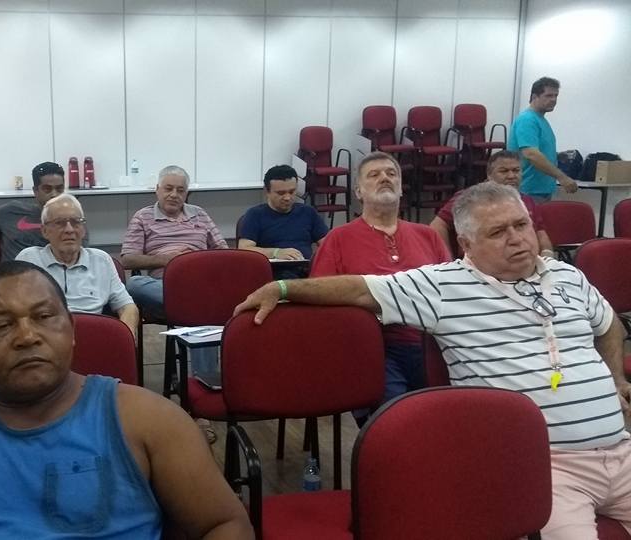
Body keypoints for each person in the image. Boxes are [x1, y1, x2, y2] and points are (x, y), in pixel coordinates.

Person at [235, 182, 631, 539]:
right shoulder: (443, 285)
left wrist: (616, 378)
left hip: (622, 450)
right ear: (466, 244)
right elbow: (359, 290)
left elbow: (609, 323)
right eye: (498, 232)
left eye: (521, 224)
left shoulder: (566, 275)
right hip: (540, 466)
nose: (517, 239)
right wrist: (282, 288)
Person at [0, 261, 253, 539]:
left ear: (71, 331)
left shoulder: (150, 421)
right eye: (1, 325)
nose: (26, 336)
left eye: (44, 317)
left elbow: (225, 524)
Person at [310, 152, 450, 416]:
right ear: (358, 192)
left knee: (446, 417)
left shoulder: (428, 236)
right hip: (372, 346)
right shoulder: (338, 239)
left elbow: (452, 290)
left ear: (401, 188)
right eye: (374, 175)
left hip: (431, 344)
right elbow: (321, 300)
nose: (384, 178)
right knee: (395, 418)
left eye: (391, 173)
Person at [16, 193, 139, 337]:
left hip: (91, 337)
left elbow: (128, 307)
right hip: (45, 339)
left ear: (83, 229)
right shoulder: (29, 260)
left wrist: (125, 338)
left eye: (76, 222)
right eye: (60, 223)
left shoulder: (101, 261)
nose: (69, 229)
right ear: (45, 231)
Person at [120, 165, 228, 321]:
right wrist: (166, 260)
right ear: (157, 190)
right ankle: (196, 303)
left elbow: (223, 251)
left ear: (186, 194)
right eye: (168, 189)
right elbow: (127, 260)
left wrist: (198, 261)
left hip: (200, 278)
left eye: (180, 190)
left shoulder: (199, 214)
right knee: (134, 284)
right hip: (164, 284)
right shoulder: (143, 217)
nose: (174, 195)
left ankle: (190, 304)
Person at [430, 150, 554, 257]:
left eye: (516, 170)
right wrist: (445, 259)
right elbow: (437, 226)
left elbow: (541, 234)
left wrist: (547, 258)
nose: (511, 176)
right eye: (504, 171)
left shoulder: (527, 201)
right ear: (489, 175)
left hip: (522, 264)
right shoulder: (469, 198)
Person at [238, 164, 329, 279]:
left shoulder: (308, 212)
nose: (287, 198)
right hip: (273, 274)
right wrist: (276, 253)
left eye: (292, 192)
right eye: (281, 193)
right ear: (267, 191)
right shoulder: (255, 215)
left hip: (306, 272)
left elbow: (328, 244)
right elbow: (245, 249)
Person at [0, 161, 66, 264]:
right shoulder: (11, 211)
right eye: (47, 189)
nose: (54, 194)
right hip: (13, 272)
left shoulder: (72, 219)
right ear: (35, 191)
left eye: (59, 189)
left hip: (53, 271)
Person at [508, 77, 579, 203]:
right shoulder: (527, 120)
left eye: (556, 96)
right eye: (549, 95)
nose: (554, 100)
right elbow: (531, 154)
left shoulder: (540, 120)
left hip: (541, 190)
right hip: (527, 191)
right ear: (534, 97)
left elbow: (540, 152)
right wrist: (562, 177)